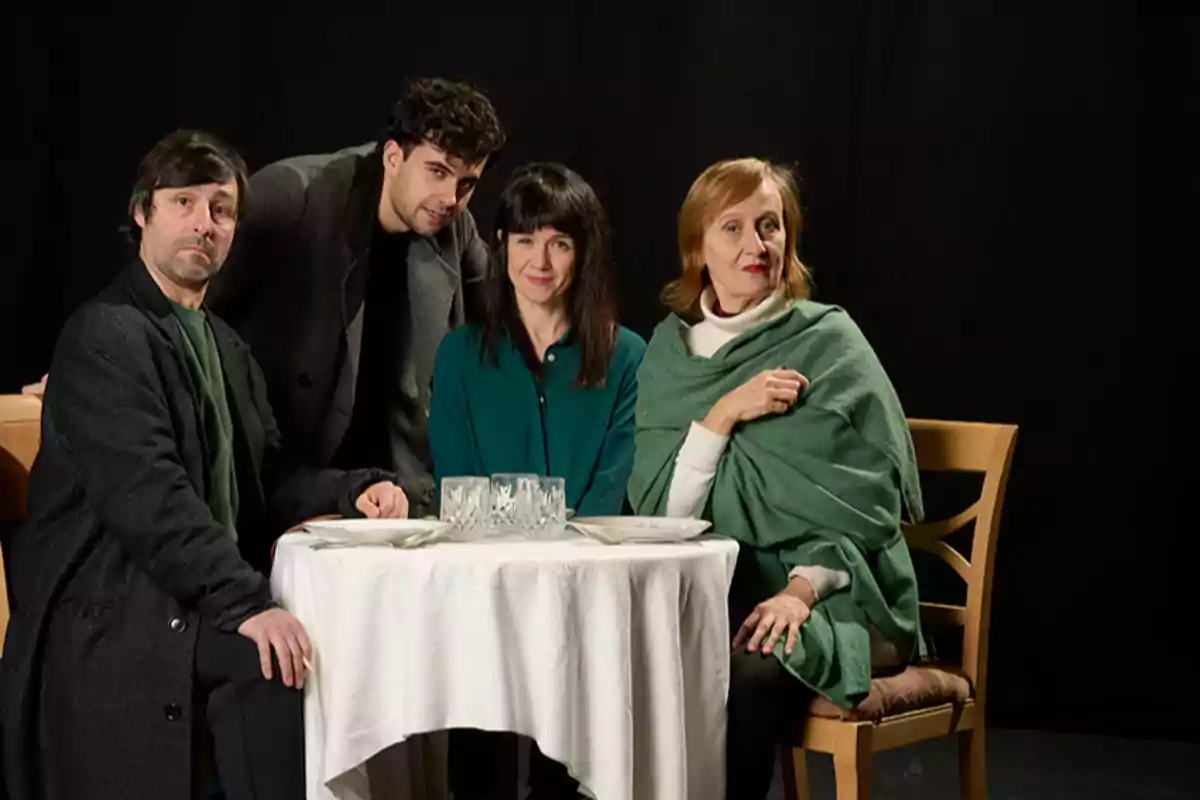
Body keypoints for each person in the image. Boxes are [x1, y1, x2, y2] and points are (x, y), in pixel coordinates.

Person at [0, 130, 409, 800]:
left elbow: (270, 478)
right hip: (113, 606)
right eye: (183, 201)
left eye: (221, 209)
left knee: (339, 649)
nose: (203, 222)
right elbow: (150, 499)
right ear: (142, 215)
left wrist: (358, 489)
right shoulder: (104, 335)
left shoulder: (225, 347)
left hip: (186, 593)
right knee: (266, 661)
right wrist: (246, 603)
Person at [627, 157, 925, 799]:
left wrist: (799, 592)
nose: (754, 245)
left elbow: (868, 502)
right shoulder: (668, 355)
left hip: (837, 594)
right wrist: (725, 412)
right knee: (626, 654)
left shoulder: (830, 341)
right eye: (730, 228)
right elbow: (666, 516)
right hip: (718, 589)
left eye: (769, 225)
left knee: (751, 667)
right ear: (697, 249)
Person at [428, 163, 644, 799]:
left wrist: (561, 557)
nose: (540, 260)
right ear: (500, 246)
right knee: (479, 753)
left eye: (560, 242)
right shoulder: (460, 354)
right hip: (486, 589)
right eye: (524, 240)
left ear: (583, 252)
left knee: (572, 763)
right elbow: (457, 481)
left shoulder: (625, 353)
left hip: (585, 591)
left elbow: (613, 482)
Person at [207, 77, 506, 518]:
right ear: (392, 157)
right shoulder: (293, 197)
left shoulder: (453, 227)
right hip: (286, 488)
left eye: (467, 183)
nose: (450, 199)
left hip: (393, 501)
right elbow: (193, 312)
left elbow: (508, 314)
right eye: (438, 171)